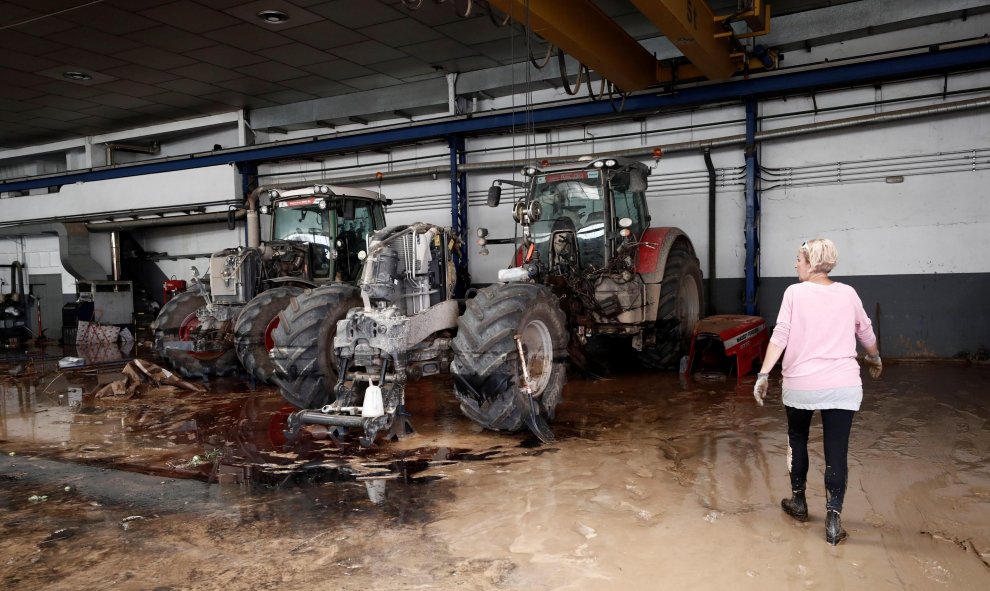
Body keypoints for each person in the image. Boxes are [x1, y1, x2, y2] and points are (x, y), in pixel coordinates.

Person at [753, 238, 882, 545]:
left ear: (811, 263)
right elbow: (865, 332)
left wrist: (763, 373)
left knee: (797, 439)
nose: (796, 264)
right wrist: (874, 358)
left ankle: (799, 502)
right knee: (836, 450)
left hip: (802, 385)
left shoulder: (794, 293)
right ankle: (834, 521)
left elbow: (780, 334)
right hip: (843, 384)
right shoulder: (848, 293)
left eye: (799, 259)